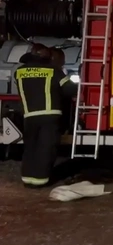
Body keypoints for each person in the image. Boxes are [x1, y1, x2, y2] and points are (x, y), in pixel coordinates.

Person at [14, 43, 77, 188]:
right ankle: (40, 180)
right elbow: (69, 89)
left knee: (31, 147)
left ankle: (27, 179)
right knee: (46, 147)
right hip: (50, 115)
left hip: (29, 116)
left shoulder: (19, 71)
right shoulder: (53, 71)